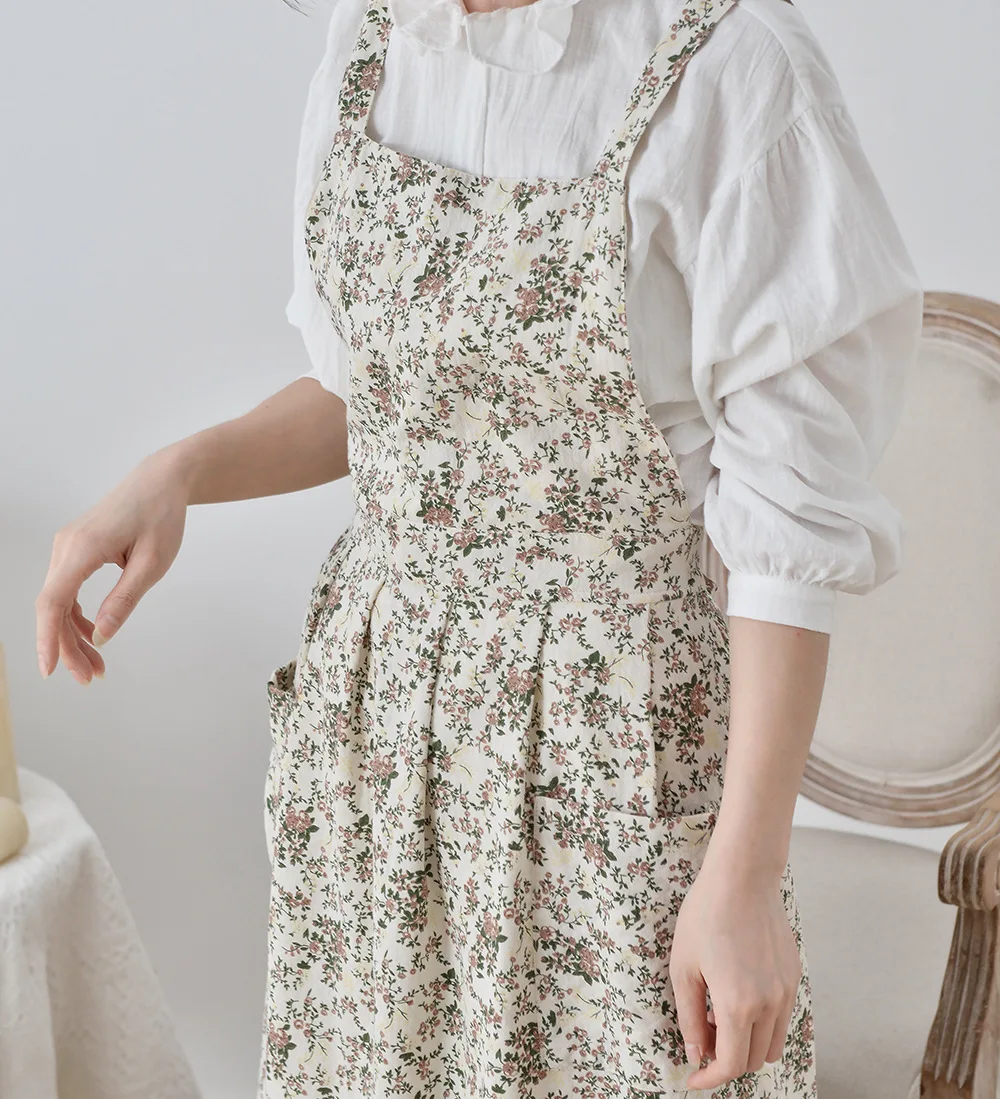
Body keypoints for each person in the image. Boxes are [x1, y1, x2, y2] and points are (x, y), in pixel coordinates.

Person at [35, 0, 923, 1094]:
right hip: (380, 738)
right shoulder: (373, 40)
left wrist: (744, 873)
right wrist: (180, 470)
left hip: (611, 755)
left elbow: (788, 531)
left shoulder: (730, 65)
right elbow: (379, 391)